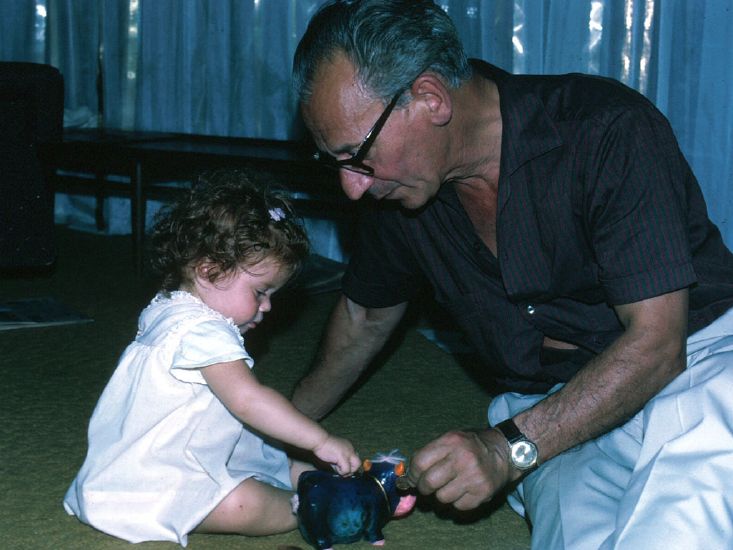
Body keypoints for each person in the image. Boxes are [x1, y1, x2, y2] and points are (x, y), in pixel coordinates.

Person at [290, 1, 733, 548]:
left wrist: (509, 449)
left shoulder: (605, 129)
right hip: (553, 411)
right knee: (574, 524)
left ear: (430, 98)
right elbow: (363, 318)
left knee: (693, 487)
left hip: (697, 362)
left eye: (354, 155)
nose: (350, 187)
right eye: (333, 162)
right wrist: (272, 434)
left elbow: (658, 347)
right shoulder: (398, 193)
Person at [63, 170, 361, 546]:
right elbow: (248, 400)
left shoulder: (169, 306)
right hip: (157, 474)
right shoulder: (203, 333)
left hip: (180, 443)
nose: (267, 306)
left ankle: (314, 478)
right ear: (210, 271)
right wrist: (319, 440)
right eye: (261, 291)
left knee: (265, 455)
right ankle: (307, 506)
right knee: (245, 505)